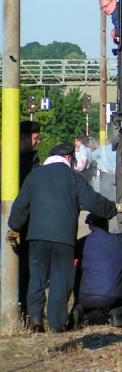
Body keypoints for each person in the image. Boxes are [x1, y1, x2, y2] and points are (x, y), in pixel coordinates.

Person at [6, 143, 122, 333]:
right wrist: (114, 208)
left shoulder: (34, 176)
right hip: (64, 238)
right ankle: (56, 324)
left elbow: (20, 207)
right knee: (61, 280)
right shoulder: (73, 177)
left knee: (37, 278)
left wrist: (14, 226)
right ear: (70, 159)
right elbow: (92, 201)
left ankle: (36, 321)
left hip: (36, 237)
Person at [72, 214, 122, 328]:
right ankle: (116, 315)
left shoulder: (81, 243)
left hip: (84, 297)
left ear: (90, 226)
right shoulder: (120, 241)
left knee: (79, 267)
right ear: (107, 224)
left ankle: (79, 309)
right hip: (111, 298)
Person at [0, 120, 42, 315]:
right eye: (35, 138)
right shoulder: (9, 159)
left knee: (25, 266)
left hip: (26, 221)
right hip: (13, 217)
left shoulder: (33, 160)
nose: (38, 142)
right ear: (23, 138)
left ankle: (21, 307)